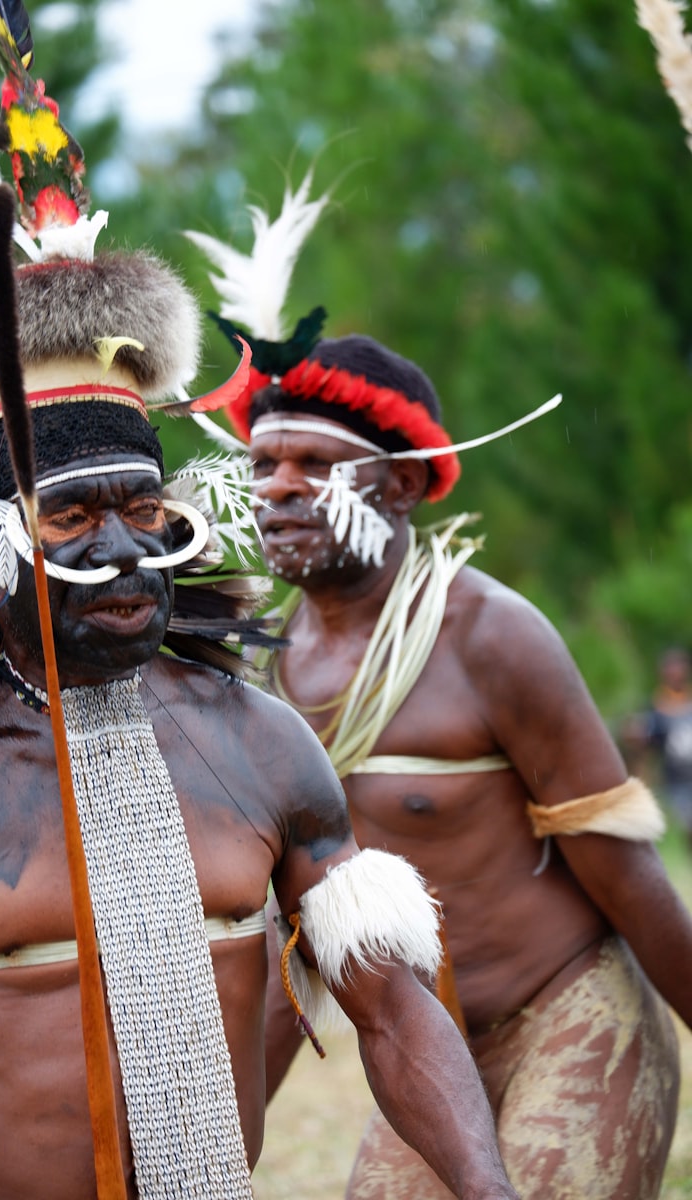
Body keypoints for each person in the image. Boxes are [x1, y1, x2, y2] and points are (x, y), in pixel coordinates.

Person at [0, 13, 521, 1200]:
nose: (127, 547)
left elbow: (392, 1014)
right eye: (73, 518)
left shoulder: (253, 741)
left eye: (144, 505)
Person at [186, 192, 692, 1198]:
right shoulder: (260, 676)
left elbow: (622, 875)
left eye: (315, 464)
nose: (279, 486)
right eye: (263, 464)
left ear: (404, 486)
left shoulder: (486, 635)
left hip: (569, 1017)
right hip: (427, 1056)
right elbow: (298, 954)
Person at [623, 647, 692, 851]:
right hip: (675, 781)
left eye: (679, 667)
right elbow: (646, 740)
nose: (675, 673)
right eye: (671, 668)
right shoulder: (656, 707)